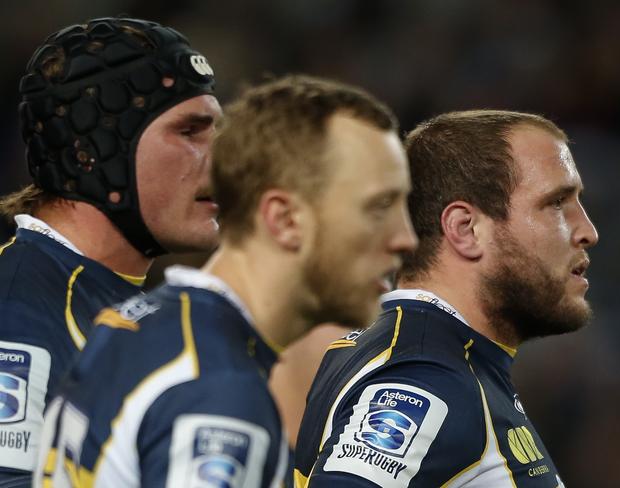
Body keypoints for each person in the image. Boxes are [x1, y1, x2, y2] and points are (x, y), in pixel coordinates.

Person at [32, 75, 418, 487]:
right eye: (378, 207)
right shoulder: (217, 393)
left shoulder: (147, 324)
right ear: (284, 220)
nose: (406, 238)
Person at [295, 110, 599, 487]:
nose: (587, 230)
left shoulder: (431, 352)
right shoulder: (423, 375)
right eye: (556, 203)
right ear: (465, 229)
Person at [0, 17, 221, 485]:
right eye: (190, 132)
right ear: (90, 153)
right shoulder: (16, 315)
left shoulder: (124, 304)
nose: (223, 159)